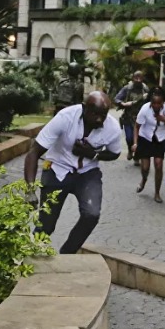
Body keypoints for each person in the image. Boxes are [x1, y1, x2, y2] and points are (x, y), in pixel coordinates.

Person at [24, 91, 121, 254]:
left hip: (87, 173)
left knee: (91, 214)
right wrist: (30, 190)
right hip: (57, 169)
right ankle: (31, 256)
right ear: (84, 108)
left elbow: (115, 153)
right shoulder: (65, 118)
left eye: (103, 115)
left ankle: (67, 254)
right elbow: (34, 151)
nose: (99, 119)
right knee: (46, 225)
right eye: (95, 114)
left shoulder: (112, 128)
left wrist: (92, 154)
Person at [132, 87, 165, 203]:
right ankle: (143, 180)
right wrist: (135, 143)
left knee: (158, 165)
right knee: (145, 168)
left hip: (160, 138)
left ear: (163, 102)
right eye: (154, 103)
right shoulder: (145, 109)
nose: (156, 105)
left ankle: (157, 193)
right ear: (150, 101)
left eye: (159, 103)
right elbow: (137, 126)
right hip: (145, 138)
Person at [115, 71, 149, 164]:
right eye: (136, 78)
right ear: (132, 78)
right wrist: (123, 104)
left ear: (143, 79)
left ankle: (137, 156)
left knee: (140, 139)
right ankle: (130, 150)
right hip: (128, 117)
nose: (138, 80)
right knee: (129, 138)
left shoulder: (145, 89)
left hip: (141, 118)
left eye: (140, 78)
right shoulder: (127, 88)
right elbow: (116, 99)